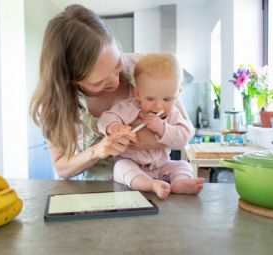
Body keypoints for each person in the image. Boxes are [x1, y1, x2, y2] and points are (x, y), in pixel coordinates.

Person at [29, 5, 189, 180]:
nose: (115, 81)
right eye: (99, 82)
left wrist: (147, 139)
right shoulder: (59, 103)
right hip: (101, 191)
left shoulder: (145, 68)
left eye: (117, 65)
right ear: (71, 80)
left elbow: (185, 130)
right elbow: (62, 168)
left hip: (157, 183)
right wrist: (97, 150)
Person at [97, 53, 205, 199]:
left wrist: (162, 128)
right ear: (138, 93)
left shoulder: (173, 113)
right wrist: (115, 127)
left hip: (162, 166)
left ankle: (179, 182)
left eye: (167, 99)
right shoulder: (129, 107)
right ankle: (150, 185)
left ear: (178, 93)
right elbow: (105, 119)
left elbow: (184, 137)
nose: (158, 106)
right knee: (120, 167)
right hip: (133, 165)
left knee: (183, 165)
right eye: (150, 99)